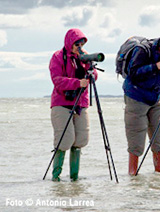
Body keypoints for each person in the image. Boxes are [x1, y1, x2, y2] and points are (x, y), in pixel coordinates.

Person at [123, 34, 160, 175]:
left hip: (155, 97)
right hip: (136, 96)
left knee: (158, 134)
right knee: (136, 137)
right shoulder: (143, 50)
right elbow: (133, 73)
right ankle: (133, 174)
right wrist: (155, 66)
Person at [49, 28, 98, 181]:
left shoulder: (84, 56)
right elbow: (57, 80)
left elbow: (94, 76)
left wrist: (89, 66)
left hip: (81, 104)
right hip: (62, 103)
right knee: (65, 140)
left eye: (82, 43)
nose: (80, 46)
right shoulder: (58, 57)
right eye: (77, 43)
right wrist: (77, 83)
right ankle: (56, 179)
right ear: (70, 42)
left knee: (81, 139)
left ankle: (74, 179)